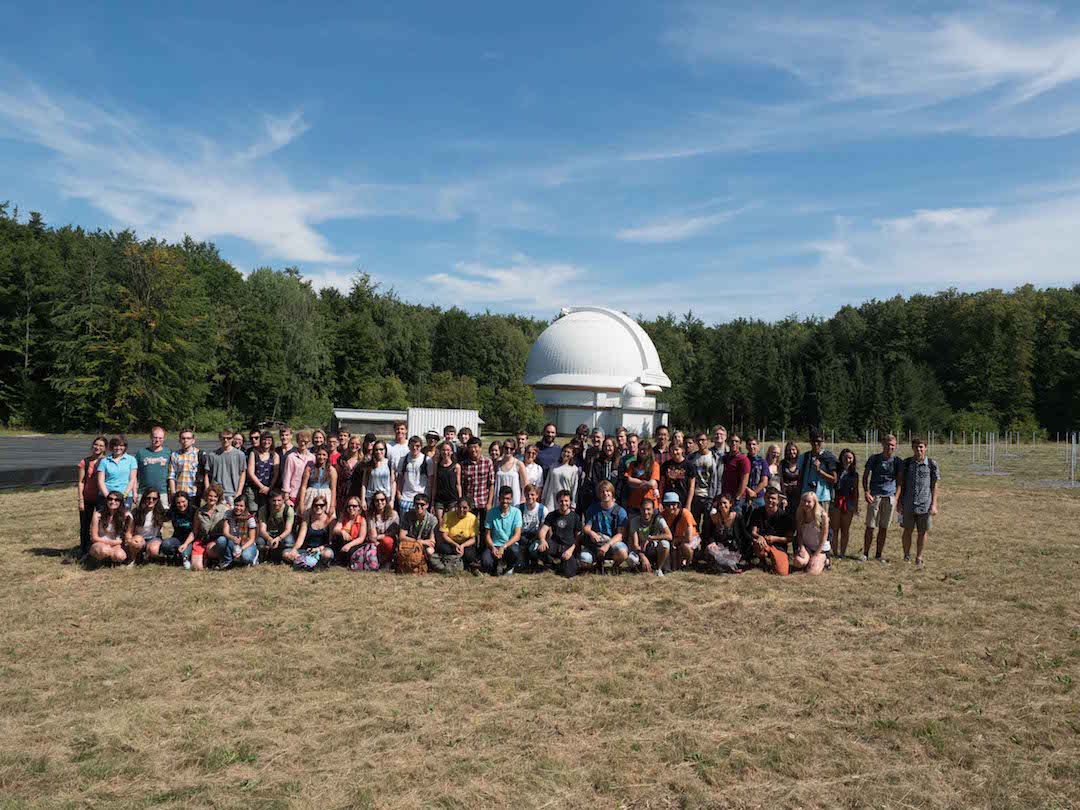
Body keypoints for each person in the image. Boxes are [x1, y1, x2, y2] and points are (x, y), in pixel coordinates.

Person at [896, 437, 940, 569]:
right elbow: (900, 484)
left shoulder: (931, 464)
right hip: (908, 504)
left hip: (924, 505)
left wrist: (934, 504)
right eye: (916, 447)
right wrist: (899, 502)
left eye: (921, 447)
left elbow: (935, 486)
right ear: (912, 448)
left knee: (923, 531)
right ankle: (906, 555)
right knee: (907, 530)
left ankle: (919, 557)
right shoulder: (906, 463)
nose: (919, 449)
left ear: (925, 448)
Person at [860, 433, 903, 563]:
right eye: (887, 444)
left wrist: (896, 498)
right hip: (875, 496)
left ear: (895, 446)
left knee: (884, 527)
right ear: (882, 444)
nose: (889, 447)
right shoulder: (874, 458)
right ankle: (865, 553)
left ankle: (878, 554)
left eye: (892, 445)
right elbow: (865, 476)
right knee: (870, 526)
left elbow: (900, 481)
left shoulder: (897, 462)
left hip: (889, 497)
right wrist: (866, 492)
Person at [580, 480, 629, 574]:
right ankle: (598, 563)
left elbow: (620, 535)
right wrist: (591, 533)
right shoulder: (593, 509)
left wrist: (607, 545)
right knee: (584, 559)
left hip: (612, 544)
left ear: (612, 493)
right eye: (602, 491)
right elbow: (586, 527)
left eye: (608, 491)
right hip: (596, 543)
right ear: (599, 494)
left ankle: (615, 566)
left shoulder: (620, 511)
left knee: (623, 553)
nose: (605, 494)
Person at [698, 493, 750, 573]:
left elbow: (744, 536)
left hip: (733, 549)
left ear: (730, 504)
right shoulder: (713, 518)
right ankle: (729, 568)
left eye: (725, 503)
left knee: (732, 560)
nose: (722, 506)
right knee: (710, 550)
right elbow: (706, 534)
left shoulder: (738, 518)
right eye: (720, 503)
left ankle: (728, 567)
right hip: (718, 548)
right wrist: (711, 542)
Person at [747, 486, 794, 575]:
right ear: (764, 497)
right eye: (768, 497)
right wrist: (759, 537)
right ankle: (762, 560)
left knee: (782, 572)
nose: (770, 500)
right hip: (763, 543)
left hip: (779, 546)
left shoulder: (786, 516)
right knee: (757, 543)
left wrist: (775, 539)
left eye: (773, 498)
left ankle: (775, 561)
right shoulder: (757, 512)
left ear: (778, 500)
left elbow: (790, 538)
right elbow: (753, 531)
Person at [534, 490, 581, 578]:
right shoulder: (552, 515)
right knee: (540, 548)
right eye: (561, 501)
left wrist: (571, 550)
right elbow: (543, 530)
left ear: (570, 502)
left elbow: (578, 537)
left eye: (566, 501)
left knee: (569, 574)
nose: (564, 503)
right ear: (557, 502)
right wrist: (542, 540)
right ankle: (550, 565)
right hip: (555, 544)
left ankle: (565, 565)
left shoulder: (575, 517)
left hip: (568, 547)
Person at [76, 436, 107, 558]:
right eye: (96, 445)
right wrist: (81, 500)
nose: (98, 448)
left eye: (101, 446)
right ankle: (84, 550)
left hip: (102, 498)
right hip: (88, 497)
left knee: (101, 525)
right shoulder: (85, 462)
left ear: (105, 448)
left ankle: (99, 549)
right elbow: (81, 482)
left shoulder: (107, 461)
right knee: (85, 525)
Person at [481, 486, 524, 575]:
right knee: (485, 561)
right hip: (495, 545)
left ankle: (509, 566)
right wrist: (492, 547)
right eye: (503, 498)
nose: (505, 501)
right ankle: (497, 564)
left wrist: (504, 546)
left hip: (509, 545)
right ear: (499, 498)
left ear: (511, 499)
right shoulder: (491, 512)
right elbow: (487, 534)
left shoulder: (516, 512)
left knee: (515, 552)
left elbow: (517, 535)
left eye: (507, 499)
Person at [433, 496, 481, 574]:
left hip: (465, 544)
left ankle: (465, 565)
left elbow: (473, 539)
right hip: (451, 542)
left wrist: (462, 546)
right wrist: (455, 545)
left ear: (469, 508)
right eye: (459, 507)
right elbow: (444, 535)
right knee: (444, 548)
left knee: (470, 554)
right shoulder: (448, 515)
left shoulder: (473, 518)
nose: (461, 510)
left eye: (464, 508)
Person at [626, 496, 671, 576]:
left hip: (653, 548)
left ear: (653, 510)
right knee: (631, 559)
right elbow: (635, 544)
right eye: (643, 509)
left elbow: (669, 536)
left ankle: (658, 569)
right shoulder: (634, 521)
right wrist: (643, 557)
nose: (646, 512)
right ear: (640, 509)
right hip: (640, 550)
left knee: (665, 544)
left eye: (648, 509)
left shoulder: (659, 519)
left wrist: (652, 538)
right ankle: (639, 568)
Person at [286, 495, 334, 570]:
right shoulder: (307, 519)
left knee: (327, 554)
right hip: (307, 550)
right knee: (286, 553)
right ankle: (306, 561)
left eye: (321, 505)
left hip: (322, 550)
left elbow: (330, 542)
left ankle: (306, 562)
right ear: (312, 506)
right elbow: (301, 538)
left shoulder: (330, 521)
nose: (318, 507)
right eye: (316, 505)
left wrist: (318, 549)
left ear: (325, 506)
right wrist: (294, 549)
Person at [797, 429, 837, 512]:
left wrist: (819, 471)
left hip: (822, 497)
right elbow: (800, 478)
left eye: (818, 441)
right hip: (806, 496)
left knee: (822, 522)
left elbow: (834, 479)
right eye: (813, 441)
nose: (815, 444)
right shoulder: (804, 457)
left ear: (822, 441)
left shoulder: (828, 457)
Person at [829, 448, 859, 560]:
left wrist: (856, 506)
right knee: (835, 528)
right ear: (841, 458)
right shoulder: (835, 471)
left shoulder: (855, 474)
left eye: (850, 458)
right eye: (845, 457)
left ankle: (842, 553)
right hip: (836, 501)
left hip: (849, 502)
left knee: (845, 529)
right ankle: (835, 553)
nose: (848, 460)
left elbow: (856, 490)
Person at [396, 494, 438, 574]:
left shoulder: (432, 520)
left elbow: (432, 541)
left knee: (430, 551)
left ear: (427, 505)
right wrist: (419, 541)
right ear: (413, 505)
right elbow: (401, 536)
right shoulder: (407, 516)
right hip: (410, 544)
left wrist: (421, 544)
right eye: (417, 504)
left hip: (423, 547)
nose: (419, 506)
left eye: (422, 504)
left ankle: (426, 566)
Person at [88, 491, 132, 564]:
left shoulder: (126, 516)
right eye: (110, 499)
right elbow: (94, 538)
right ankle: (99, 559)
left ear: (121, 502)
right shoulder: (98, 515)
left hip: (117, 543)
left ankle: (109, 559)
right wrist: (111, 543)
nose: (112, 502)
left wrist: (118, 543)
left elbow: (128, 535)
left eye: (116, 500)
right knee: (104, 550)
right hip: (100, 542)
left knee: (120, 556)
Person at [125, 487, 166, 565]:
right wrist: (130, 542)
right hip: (139, 538)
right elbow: (129, 531)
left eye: (154, 499)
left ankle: (149, 556)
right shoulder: (136, 512)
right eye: (148, 498)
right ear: (144, 499)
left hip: (154, 538)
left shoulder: (160, 512)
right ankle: (133, 559)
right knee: (136, 542)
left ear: (158, 500)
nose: (151, 501)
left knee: (154, 550)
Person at [205, 429, 247, 507]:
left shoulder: (240, 455)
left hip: (233, 493)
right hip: (216, 494)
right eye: (223, 438)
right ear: (219, 438)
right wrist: (208, 490)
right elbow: (207, 474)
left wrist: (239, 492)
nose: (226, 440)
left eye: (229, 438)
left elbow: (243, 473)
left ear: (232, 438)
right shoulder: (212, 455)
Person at [792, 491, 830, 575]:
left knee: (812, 572)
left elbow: (824, 537)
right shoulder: (799, 514)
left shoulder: (823, 516)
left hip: (820, 549)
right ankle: (809, 560)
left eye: (809, 502)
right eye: (804, 501)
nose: (806, 504)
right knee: (798, 562)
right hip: (807, 547)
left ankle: (825, 561)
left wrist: (816, 555)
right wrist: (801, 547)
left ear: (814, 503)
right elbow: (799, 534)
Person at [192, 483, 228, 571]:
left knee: (211, 548)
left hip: (216, 541)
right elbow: (195, 531)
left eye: (215, 496)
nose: (212, 498)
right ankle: (205, 558)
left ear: (218, 498)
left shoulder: (225, 510)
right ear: (206, 496)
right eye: (210, 496)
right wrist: (185, 544)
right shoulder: (199, 511)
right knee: (196, 568)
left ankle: (215, 560)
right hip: (202, 540)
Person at [461, 437, 495, 526]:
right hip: (470, 503)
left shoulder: (488, 462)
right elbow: (462, 484)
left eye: (475, 447)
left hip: (483, 501)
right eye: (471, 447)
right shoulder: (464, 464)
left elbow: (491, 484)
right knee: (470, 528)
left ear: (480, 448)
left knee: (484, 527)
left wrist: (489, 503)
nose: (473, 450)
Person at [97, 435, 138, 510]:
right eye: (116, 445)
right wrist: (108, 497)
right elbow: (100, 481)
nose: (118, 448)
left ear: (125, 447)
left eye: (121, 445)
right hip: (106, 496)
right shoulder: (104, 461)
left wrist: (124, 495)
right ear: (112, 446)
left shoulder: (131, 460)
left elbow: (132, 480)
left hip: (125, 496)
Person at [661, 491, 699, 570]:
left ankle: (689, 564)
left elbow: (689, 538)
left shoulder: (685, 514)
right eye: (668, 505)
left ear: (678, 504)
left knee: (685, 546)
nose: (671, 507)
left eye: (674, 504)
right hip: (676, 538)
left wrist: (676, 540)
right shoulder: (663, 515)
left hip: (691, 537)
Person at [582, 437, 619, 516]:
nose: (607, 448)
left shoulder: (619, 462)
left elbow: (620, 481)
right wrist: (601, 494)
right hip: (600, 497)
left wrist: (614, 496)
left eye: (610, 446)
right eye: (605, 446)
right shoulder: (598, 462)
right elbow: (596, 480)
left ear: (614, 447)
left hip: (614, 499)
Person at [397, 435, 433, 515]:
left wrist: (429, 498)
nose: (414, 448)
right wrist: (399, 495)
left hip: (422, 497)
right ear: (408, 446)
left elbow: (431, 481)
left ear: (421, 447)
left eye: (417, 446)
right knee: (405, 525)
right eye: (412, 446)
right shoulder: (403, 460)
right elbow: (399, 479)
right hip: (406, 498)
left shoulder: (427, 460)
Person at [159, 491, 197, 566]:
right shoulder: (173, 511)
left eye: (183, 502)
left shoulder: (194, 511)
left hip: (190, 541)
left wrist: (186, 544)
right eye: (178, 503)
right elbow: (161, 519)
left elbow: (195, 531)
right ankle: (173, 557)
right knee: (166, 544)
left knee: (184, 554)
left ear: (188, 501)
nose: (181, 505)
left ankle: (183, 556)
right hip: (177, 539)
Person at [298, 445, 337, 519]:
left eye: (324, 455)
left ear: (328, 456)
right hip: (311, 495)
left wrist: (332, 505)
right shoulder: (309, 468)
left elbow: (333, 488)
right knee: (308, 518)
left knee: (326, 518)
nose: (321, 457)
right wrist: (301, 503)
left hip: (325, 495)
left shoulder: (331, 470)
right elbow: (303, 486)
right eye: (319, 454)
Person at [136, 427, 170, 508]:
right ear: (151, 437)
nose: (157, 440)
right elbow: (134, 473)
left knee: (163, 516)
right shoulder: (141, 453)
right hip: (143, 491)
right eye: (155, 437)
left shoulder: (168, 453)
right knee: (141, 516)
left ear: (163, 438)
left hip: (162, 492)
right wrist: (134, 491)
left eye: (160, 438)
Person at [257, 489, 295, 562]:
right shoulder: (263, 510)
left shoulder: (288, 510)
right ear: (269, 500)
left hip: (283, 533)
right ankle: (264, 556)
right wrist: (270, 539)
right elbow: (262, 530)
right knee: (260, 542)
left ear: (283, 500)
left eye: (279, 500)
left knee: (289, 542)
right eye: (274, 500)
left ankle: (284, 557)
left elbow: (288, 529)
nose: (276, 503)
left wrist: (278, 538)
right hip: (268, 532)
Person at [245, 431, 280, 512]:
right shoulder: (253, 453)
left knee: (265, 512)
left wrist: (269, 487)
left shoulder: (274, 455)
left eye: (269, 440)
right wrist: (261, 487)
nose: (266, 442)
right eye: (264, 439)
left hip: (268, 489)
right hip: (254, 488)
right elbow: (250, 472)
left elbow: (275, 474)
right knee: (253, 511)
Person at [541, 445, 582, 512]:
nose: (566, 454)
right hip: (551, 499)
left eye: (568, 452)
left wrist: (573, 504)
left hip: (564, 501)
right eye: (564, 451)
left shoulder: (574, 469)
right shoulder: (554, 466)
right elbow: (547, 483)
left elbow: (574, 488)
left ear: (572, 454)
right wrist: (543, 498)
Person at [220, 497, 259, 568]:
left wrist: (241, 549)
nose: (238, 508)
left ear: (245, 507)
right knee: (221, 540)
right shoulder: (228, 514)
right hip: (233, 541)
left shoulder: (250, 518)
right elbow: (225, 532)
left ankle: (253, 556)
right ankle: (228, 561)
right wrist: (232, 537)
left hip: (246, 543)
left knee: (246, 557)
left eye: (241, 506)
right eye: (236, 505)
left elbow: (252, 539)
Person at [334, 497, 371, 569]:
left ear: (359, 508)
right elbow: (335, 529)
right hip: (343, 543)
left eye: (354, 506)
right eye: (349, 506)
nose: (351, 508)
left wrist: (349, 545)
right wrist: (342, 531)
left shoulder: (362, 520)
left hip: (355, 544)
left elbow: (361, 538)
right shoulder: (343, 517)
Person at [687, 432, 715, 524]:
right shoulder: (692, 458)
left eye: (703, 440)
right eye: (698, 440)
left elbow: (718, 479)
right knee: (695, 522)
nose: (700, 442)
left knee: (708, 524)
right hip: (695, 495)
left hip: (709, 496)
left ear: (708, 441)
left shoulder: (715, 458)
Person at [624, 442, 660, 516]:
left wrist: (636, 484)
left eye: (644, 450)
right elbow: (629, 480)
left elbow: (652, 483)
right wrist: (645, 483)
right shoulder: (633, 464)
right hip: (634, 503)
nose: (641, 452)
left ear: (649, 451)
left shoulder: (654, 465)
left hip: (650, 502)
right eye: (640, 449)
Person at [168, 429, 201, 508]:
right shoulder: (175, 455)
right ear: (179, 440)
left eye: (188, 438)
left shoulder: (199, 454)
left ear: (193, 440)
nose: (185, 440)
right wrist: (173, 492)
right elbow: (171, 475)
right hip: (179, 493)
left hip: (193, 493)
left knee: (194, 518)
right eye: (183, 438)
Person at [280, 430, 313, 509]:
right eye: (300, 441)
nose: (302, 444)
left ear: (309, 442)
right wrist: (286, 497)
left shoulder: (312, 457)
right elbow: (287, 476)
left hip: (308, 493)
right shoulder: (291, 457)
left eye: (305, 442)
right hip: (294, 493)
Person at [660, 440, 696, 512]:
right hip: (668, 501)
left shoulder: (689, 466)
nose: (674, 452)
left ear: (682, 450)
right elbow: (661, 485)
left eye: (677, 450)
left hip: (682, 500)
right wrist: (660, 502)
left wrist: (688, 504)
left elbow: (691, 487)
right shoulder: (665, 465)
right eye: (672, 450)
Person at [366, 492, 399, 567]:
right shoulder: (371, 515)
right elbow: (372, 534)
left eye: (382, 500)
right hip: (375, 541)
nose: (379, 502)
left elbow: (394, 531)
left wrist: (382, 536)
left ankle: (388, 561)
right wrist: (376, 540)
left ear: (386, 501)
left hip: (389, 541)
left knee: (387, 541)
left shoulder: (394, 514)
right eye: (377, 500)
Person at [432, 441, 462, 522]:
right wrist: (432, 501)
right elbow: (434, 482)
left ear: (452, 452)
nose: (446, 452)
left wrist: (460, 500)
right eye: (444, 450)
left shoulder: (456, 466)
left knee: (450, 521)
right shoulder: (437, 465)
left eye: (448, 450)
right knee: (439, 521)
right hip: (439, 498)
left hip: (452, 498)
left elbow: (458, 484)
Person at [361, 441, 395, 511]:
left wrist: (392, 500)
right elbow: (364, 483)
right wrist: (363, 499)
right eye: (376, 450)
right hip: (371, 498)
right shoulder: (369, 464)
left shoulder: (389, 463)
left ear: (385, 450)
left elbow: (392, 482)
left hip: (385, 498)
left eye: (381, 449)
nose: (379, 452)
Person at [518, 484, 546, 568]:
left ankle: (535, 560)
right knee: (522, 565)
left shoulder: (543, 509)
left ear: (537, 495)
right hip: (522, 536)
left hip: (536, 536)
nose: (529, 497)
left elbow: (545, 528)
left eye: (532, 494)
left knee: (534, 549)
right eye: (527, 494)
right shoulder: (519, 508)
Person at [495, 438, 528, 507]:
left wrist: (523, 498)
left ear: (514, 450)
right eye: (506, 448)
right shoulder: (497, 463)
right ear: (503, 448)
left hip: (514, 500)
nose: (508, 450)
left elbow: (525, 483)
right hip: (499, 498)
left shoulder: (519, 464)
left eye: (511, 448)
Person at [720, 434, 751, 505]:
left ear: (740, 444)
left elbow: (744, 480)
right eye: (732, 441)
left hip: (737, 498)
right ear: (728, 443)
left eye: (736, 441)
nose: (734, 443)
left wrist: (738, 497)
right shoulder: (725, 457)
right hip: (725, 496)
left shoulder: (743, 459)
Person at [336, 435, 364, 509]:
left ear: (360, 446)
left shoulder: (363, 461)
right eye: (352, 443)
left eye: (357, 444)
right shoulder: (341, 460)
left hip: (357, 493)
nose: (354, 446)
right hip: (342, 494)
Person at [744, 437, 770, 512]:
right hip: (744, 496)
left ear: (758, 446)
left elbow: (764, 482)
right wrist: (748, 491)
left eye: (754, 444)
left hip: (758, 497)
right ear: (746, 446)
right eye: (749, 444)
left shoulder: (762, 462)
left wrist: (754, 492)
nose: (752, 447)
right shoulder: (743, 460)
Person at [780, 441, 801, 513]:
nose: (791, 452)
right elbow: (781, 480)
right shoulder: (783, 463)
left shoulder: (801, 463)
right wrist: (783, 496)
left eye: (793, 450)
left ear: (797, 450)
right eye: (789, 450)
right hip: (786, 494)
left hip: (798, 495)